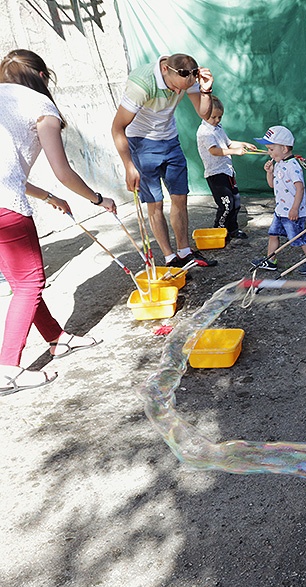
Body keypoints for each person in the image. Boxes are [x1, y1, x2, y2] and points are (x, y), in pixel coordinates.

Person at [0, 49, 116, 395]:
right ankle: (7, 369)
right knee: (30, 283)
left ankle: (57, 339)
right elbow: (62, 171)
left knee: (22, 280)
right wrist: (98, 198)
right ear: (40, 76)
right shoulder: (39, 105)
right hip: (6, 207)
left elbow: (11, 172)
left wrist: (48, 198)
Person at [111, 53, 218, 268]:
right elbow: (117, 127)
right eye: (175, 88)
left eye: (183, 89)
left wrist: (205, 90)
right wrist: (128, 165)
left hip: (170, 139)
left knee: (180, 198)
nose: (178, 93)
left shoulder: (186, 77)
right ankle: (170, 258)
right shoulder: (141, 84)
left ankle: (185, 253)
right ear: (164, 70)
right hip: (141, 142)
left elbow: (205, 114)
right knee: (155, 202)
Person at [250, 125, 306, 274]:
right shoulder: (279, 164)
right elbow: (272, 185)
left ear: (284, 149)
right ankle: (270, 260)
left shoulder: (293, 166)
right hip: (280, 210)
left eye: (271, 149)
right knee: (273, 234)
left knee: (299, 238)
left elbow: (300, 188)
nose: (269, 153)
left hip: (292, 212)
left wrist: (295, 208)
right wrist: (269, 172)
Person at [196, 95, 256, 241]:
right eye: (214, 117)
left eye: (220, 117)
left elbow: (227, 143)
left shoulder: (218, 128)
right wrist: (235, 152)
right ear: (204, 114)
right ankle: (219, 230)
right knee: (226, 204)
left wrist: (243, 144)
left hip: (227, 170)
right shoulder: (204, 132)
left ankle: (233, 229)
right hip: (216, 173)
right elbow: (214, 151)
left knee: (235, 202)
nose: (217, 120)